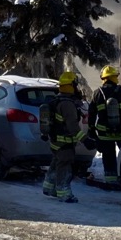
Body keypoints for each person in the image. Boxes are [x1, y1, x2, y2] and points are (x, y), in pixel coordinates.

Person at [87, 65, 121, 185]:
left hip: (105, 133)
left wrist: (91, 129)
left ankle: (111, 180)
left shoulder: (97, 93)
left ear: (103, 78)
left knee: (108, 157)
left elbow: (91, 114)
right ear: (115, 77)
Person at [41, 70, 84, 203]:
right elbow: (73, 126)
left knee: (56, 163)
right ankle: (64, 193)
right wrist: (85, 140)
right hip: (64, 142)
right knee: (64, 165)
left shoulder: (56, 100)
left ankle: (49, 187)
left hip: (55, 141)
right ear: (71, 86)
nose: (77, 88)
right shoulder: (67, 104)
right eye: (75, 85)